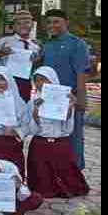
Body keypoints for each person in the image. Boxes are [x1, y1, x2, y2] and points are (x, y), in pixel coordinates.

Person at [25, 66, 89, 199]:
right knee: (41, 185)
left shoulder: (64, 99)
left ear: (52, 80)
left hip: (60, 144)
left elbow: (67, 129)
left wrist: (69, 107)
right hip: (40, 145)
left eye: (44, 79)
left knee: (69, 182)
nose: (41, 83)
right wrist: (36, 111)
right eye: (37, 80)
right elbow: (33, 130)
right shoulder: (33, 101)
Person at [40, 9, 89, 170]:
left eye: (56, 22)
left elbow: (81, 73)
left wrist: (81, 99)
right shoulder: (46, 45)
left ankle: (74, 173)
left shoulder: (77, 44)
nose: (52, 25)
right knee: (53, 137)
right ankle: (55, 173)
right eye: (49, 22)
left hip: (70, 99)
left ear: (66, 23)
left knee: (73, 137)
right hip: (50, 99)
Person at [0, 10, 42, 102]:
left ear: (32, 25)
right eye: (18, 23)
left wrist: (37, 62)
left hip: (26, 84)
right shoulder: (4, 42)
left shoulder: (36, 46)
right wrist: (0, 54)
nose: (23, 26)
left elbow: (37, 69)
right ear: (14, 26)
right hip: (6, 82)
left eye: (26, 22)